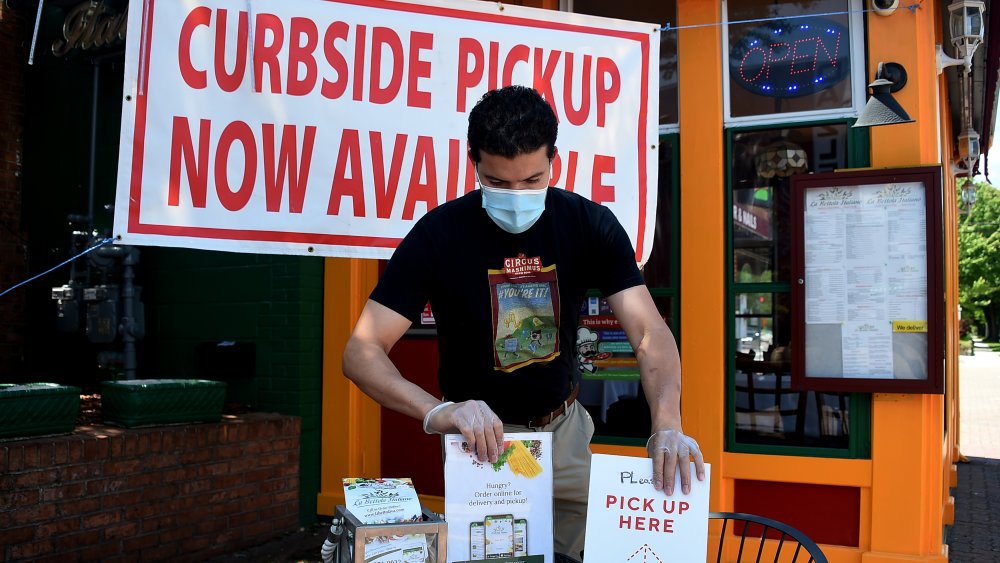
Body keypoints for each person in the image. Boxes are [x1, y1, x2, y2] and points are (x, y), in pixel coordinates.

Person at [342, 85, 704, 559]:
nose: (517, 197)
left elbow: (649, 332)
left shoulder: (589, 223)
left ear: (555, 159)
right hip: (481, 445)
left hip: (565, 429)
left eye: (532, 180)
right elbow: (361, 352)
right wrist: (438, 412)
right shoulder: (438, 233)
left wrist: (667, 424)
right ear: (473, 163)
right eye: (499, 183)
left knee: (600, 551)